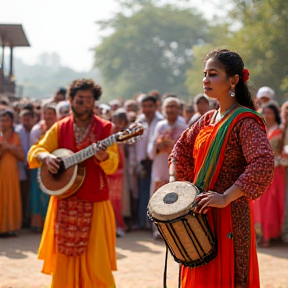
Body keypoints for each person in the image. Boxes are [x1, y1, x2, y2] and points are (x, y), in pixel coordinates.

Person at [168, 49, 274, 288]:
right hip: (199, 212)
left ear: (233, 80)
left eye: (213, 74)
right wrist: (174, 186)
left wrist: (226, 197)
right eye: (205, 74)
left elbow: (264, 162)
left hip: (229, 215)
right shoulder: (207, 119)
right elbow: (179, 151)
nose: (205, 79)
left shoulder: (245, 121)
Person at [27, 79, 119, 288]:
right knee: (64, 258)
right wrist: (47, 158)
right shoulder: (60, 128)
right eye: (79, 100)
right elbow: (35, 151)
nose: (83, 104)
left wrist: (104, 157)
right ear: (70, 101)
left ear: (94, 103)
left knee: (97, 263)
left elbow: (113, 165)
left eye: (88, 100)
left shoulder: (106, 128)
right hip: (64, 201)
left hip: (95, 201)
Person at [253, 103, 286, 247]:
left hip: (276, 172)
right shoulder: (261, 129)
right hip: (261, 172)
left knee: (273, 203)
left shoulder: (280, 131)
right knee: (260, 203)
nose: (267, 115)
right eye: (265, 113)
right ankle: (262, 234)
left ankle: (272, 235)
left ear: (275, 115)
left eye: (270, 113)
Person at [29, 103, 57, 232]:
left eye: (51, 114)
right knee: (37, 195)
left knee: (50, 194)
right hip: (39, 166)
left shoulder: (58, 129)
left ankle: (50, 223)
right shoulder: (37, 130)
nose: (48, 116)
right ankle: (37, 224)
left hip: (54, 166)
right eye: (46, 113)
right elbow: (35, 149)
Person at [0, 110, 25, 236]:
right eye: (2, 120)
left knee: (11, 198)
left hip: (12, 174)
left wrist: (9, 147)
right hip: (1, 174)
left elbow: (22, 157)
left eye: (7, 120)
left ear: (11, 122)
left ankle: (11, 227)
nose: (4, 123)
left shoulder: (16, 137)